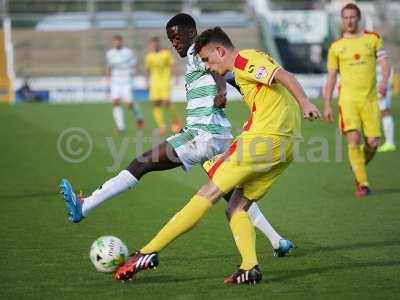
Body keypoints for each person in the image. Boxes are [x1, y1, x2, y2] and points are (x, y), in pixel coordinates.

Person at [60, 14, 293, 261]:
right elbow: (230, 76)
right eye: (170, 39)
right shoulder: (208, 58)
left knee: (141, 163)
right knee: (231, 194)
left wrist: (222, 90)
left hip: (200, 135)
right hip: (219, 136)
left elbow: (217, 75)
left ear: (191, 32)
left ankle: (85, 206)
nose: (174, 43)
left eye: (177, 36)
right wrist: (238, 91)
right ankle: (278, 241)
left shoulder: (196, 51)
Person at [114, 26, 320, 284]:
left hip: (265, 140)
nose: (208, 67)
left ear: (221, 51)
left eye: (208, 60)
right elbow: (270, 96)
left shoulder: (244, 60)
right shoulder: (252, 59)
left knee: (208, 193)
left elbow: (283, 75)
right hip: (285, 145)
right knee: (236, 207)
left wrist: (305, 102)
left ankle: (147, 252)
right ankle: (249, 267)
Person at [323, 3, 391, 197]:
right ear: (342, 20)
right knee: (353, 139)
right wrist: (328, 104)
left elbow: (385, 63)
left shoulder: (373, 39)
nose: (349, 21)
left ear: (358, 18)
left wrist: (384, 82)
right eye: (346, 17)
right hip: (348, 101)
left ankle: (357, 165)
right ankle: (362, 183)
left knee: (373, 143)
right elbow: (331, 77)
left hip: (370, 100)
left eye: (353, 17)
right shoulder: (336, 46)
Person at [106, 35, 144, 133]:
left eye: (118, 42)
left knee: (129, 104)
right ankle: (120, 127)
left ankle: (139, 117)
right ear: (113, 43)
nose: (117, 43)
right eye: (115, 42)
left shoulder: (128, 52)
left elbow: (135, 63)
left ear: (121, 42)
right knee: (116, 102)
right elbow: (109, 68)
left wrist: (134, 71)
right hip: (115, 82)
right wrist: (109, 81)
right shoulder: (109, 54)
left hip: (126, 81)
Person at [144, 36, 182, 135]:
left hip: (165, 82)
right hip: (154, 83)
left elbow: (172, 66)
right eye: (152, 44)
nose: (154, 45)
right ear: (150, 45)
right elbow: (147, 70)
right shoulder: (149, 56)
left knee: (166, 102)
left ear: (158, 44)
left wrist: (176, 77)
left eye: (155, 43)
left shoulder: (165, 54)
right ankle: (161, 127)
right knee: (156, 103)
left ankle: (176, 121)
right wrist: (147, 82)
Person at [377, 67, 396, 152]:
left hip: (381, 77)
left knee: (384, 110)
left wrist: (384, 83)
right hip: (378, 76)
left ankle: (390, 143)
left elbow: (384, 62)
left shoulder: (380, 54)